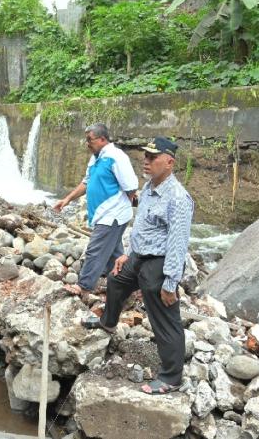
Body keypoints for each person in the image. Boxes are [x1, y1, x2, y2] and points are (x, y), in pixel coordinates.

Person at [83, 137, 193, 395]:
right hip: (140, 255)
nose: (146, 161)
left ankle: (171, 378)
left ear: (169, 162)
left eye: (153, 157)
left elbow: (178, 243)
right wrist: (128, 254)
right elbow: (143, 226)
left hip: (160, 261)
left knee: (164, 317)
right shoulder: (149, 188)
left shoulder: (178, 198)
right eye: (146, 156)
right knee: (117, 279)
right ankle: (108, 322)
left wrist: (170, 283)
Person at [53, 123, 138, 297]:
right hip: (102, 215)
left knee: (95, 250)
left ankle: (83, 286)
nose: (87, 144)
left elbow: (131, 187)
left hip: (112, 215)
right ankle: (126, 285)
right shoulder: (95, 158)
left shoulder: (116, 157)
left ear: (102, 139)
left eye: (89, 140)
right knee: (114, 254)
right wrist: (67, 199)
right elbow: (86, 182)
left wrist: (122, 206)